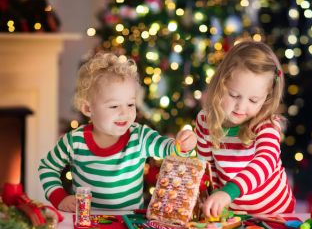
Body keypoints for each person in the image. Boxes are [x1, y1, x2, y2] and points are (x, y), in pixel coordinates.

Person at [38, 52, 197, 212]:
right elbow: (47, 167)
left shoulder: (140, 136)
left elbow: (169, 149)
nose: (125, 113)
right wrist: (60, 198)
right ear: (88, 109)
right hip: (86, 222)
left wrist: (183, 144)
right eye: (114, 106)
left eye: (130, 104)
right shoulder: (75, 141)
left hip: (129, 224)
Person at [196, 40, 295, 217]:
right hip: (233, 215)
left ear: (266, 98)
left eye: (253, 100)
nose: (241, 107)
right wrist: (206, 197)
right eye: (234, 95)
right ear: (220, 84)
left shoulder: (267, 125)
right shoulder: (205, 120)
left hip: (276, 214)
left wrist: (228, 192)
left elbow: (264, 163)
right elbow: (205, 167)